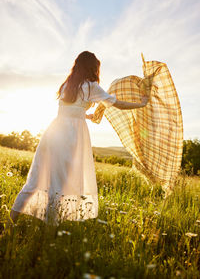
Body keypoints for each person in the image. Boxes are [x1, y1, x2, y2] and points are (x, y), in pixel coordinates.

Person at [8, 51, 148, 227]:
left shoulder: (68, 84)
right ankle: (50, 234)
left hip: (53, 131)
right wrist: (141, 104)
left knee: (35, 179)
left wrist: (87, 116)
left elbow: (73, 109)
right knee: (59, 184)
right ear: (92, 68)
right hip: (70, 136)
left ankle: (7, 224)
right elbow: (117, 103)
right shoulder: (91, 86)